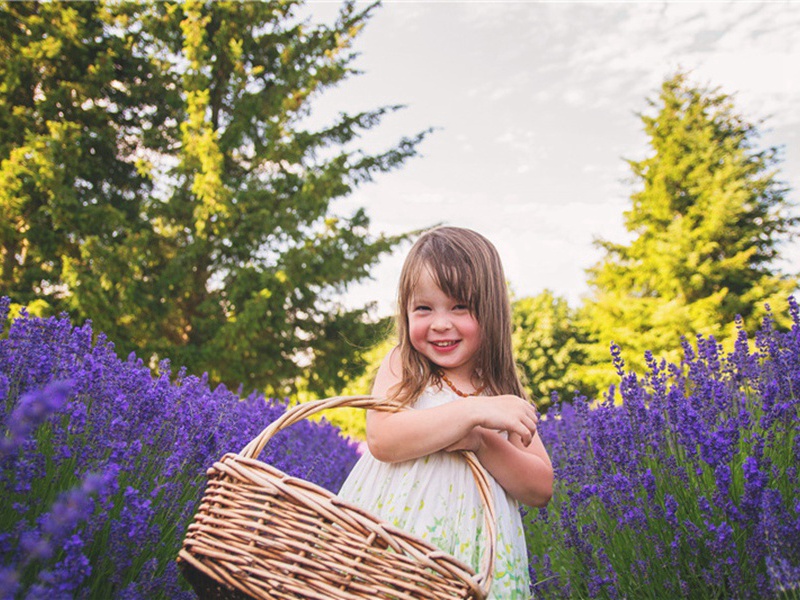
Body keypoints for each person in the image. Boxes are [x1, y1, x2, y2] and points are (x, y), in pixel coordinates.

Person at [338, 226, 553, 599]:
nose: (440, 323)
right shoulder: (405, 367)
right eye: (423, 308)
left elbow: (539, 488)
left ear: (491, 312)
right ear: (405, 311)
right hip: (398, 548)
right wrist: (468, 412)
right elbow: (383, 440)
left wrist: (482, 441)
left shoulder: (502, 394)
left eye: (460, 307)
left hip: (474, 562)